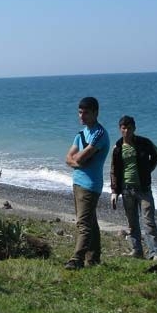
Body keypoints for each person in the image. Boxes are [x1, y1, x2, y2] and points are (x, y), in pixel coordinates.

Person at [64, 97, 110, 270]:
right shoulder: (81, 134)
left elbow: (82, 157)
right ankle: (94, 258)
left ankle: (77, 259)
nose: (82, 116)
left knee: (83, 223)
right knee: (90, 221)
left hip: (90, 185)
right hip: (77, 182)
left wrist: (78, 160)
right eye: (80, 112)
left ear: (95, 113)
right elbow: (69, 159)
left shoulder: (99, 134)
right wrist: (78, 162)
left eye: (86, 113)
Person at [110, 115, 157, 259]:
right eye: (124, 128)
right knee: (132, 222)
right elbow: (114, 170)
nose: (126, 131)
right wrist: (114, 191)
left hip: (144, 189)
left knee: (149, 221)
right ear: (120, 129)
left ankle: (155, 252)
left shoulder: (144, 143)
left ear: (134, 128)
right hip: (126, 189)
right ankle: (137, 250)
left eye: (129, 128)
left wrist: (148, 170)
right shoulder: (117, 148)